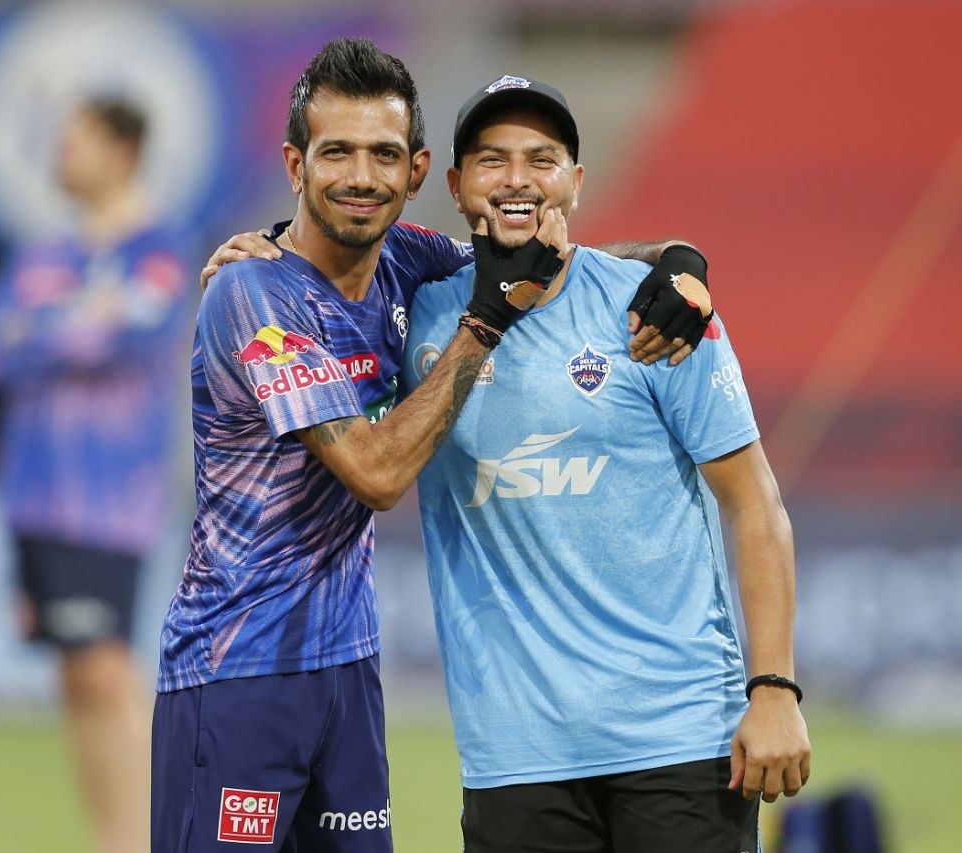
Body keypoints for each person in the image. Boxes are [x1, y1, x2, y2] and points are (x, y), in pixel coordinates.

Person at [153, 38, 705, 853]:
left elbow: (558, 272)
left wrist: (676, 262)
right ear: (295, 162)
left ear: (416, 173)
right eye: (335, 151)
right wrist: (483, 323)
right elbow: (375, 473)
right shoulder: (255, 293)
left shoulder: (406, 259)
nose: (360, 176)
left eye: (383, 154)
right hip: (238, 669)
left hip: (347, 668)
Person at [397, 76, 812, 852]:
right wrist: (263, 250)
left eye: (542, 158)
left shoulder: (657, 311)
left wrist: (774, 687)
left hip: (683, 736)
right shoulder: (416, 315)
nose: (517, 177)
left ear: (576, 183)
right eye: (491, 160)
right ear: (454, 186)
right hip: (514, 751)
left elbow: (754, 502)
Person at [0, 95, 194, 853]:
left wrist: (43, 324)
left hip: (107, 500)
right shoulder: (43, 253)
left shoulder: (157, 248)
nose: (60, 157)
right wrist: (76, 318)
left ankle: (167, 835)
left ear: (123, 151)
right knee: (74, 679)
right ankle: (114, 839)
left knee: (105, 671)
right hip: (33, 497)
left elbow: (134, 332)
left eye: (76, 143)